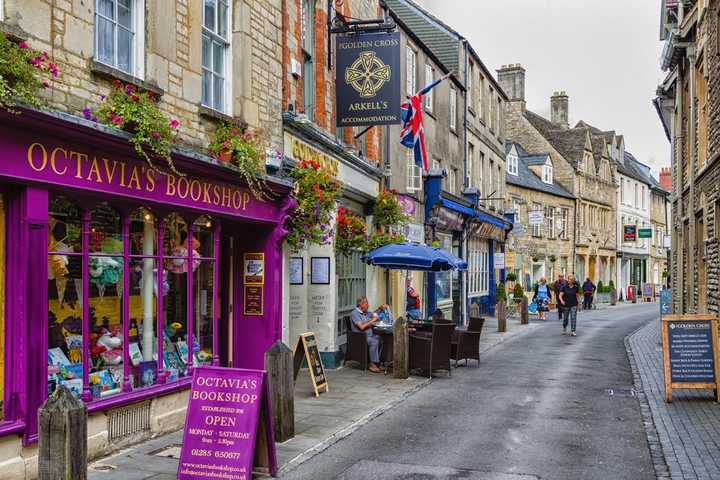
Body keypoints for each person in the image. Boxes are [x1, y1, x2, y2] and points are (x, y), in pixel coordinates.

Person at [350, 296, 382, 373]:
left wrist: (379, 309)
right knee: (374, 342)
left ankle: (378, 362)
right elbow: (361, 327)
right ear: (361, 304)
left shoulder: (365, 312)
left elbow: (374, 313)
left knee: (382, 339)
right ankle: (372, 364)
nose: (368, 305)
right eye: (367, 303)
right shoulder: (355, 313)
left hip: (369, 335)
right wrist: (373, 320)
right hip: (360, 337)